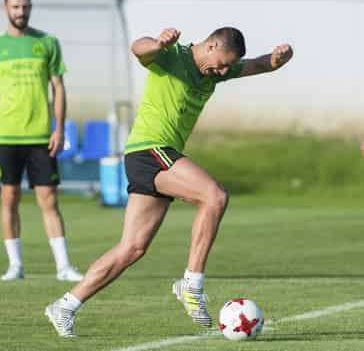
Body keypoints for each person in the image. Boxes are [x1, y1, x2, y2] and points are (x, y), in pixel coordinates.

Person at [45, 27, 293, 337]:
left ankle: (65, 305)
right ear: (212, 45)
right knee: (214, 196)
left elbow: (259, 64)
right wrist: (158, 44)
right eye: (223, 62)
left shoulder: (215, 72)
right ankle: (191, 283)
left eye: (229, 67)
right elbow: (139, 48)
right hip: (150, 149)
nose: (224, 70)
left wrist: (280, 58)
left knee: (132, 248)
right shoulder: (172, 56)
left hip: (154, 157)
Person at [0, 0, 83, 282]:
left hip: (40, 136)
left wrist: (59, 128)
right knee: (9, 199)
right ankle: (15, 266)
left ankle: (63, 267)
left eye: (25, 6)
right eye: (15, 6)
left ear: (30, 7)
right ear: (6, 8)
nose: (21, 11)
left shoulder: (47, 43)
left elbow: (58, 88)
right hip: (5, 136)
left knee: (49, 200)